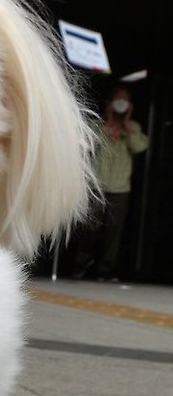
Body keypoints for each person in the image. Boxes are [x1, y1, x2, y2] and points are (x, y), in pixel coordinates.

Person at [72, 85, 149, 280]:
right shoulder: (98, 126)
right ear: (109, 102)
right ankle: (81, 262)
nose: (121, 103)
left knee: (114, 232)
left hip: (121, 187)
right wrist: (108, 123)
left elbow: (140, 147)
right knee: (90, 227)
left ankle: (105, 269)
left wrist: (126, 125)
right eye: (118, 99)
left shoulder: (133, 128)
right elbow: (88, 146)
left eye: (126, 100)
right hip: (96, 187)